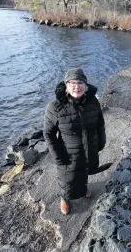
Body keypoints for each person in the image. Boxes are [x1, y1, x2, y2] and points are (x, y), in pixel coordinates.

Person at [44, 68, 106, 215]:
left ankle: (83, 189)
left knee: (85, 170)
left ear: (85, 85)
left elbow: (100, 123)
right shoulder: (55, 107)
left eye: (80, 83)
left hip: (89, 147)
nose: (76, 87)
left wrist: (101, 142)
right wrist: (58, 157)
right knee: (68, 178)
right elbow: (48, 133)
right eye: (72, 83)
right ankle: (65, 198)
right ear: (66, 85)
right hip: (67, 152)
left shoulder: (93, 101)